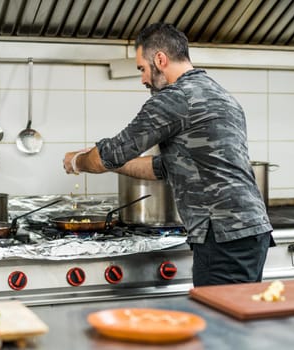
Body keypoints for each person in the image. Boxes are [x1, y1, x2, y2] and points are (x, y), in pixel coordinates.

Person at [63, 22, 273, 287]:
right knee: (238, 316)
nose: (142, 79)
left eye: (141, 68)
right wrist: (112, 164)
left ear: (160, 59)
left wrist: (77, 161)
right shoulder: (221, 95)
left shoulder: (175, 98)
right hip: (248, 231)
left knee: (221, 324)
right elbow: (164, 166)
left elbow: (113, 152)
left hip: (222, 235)